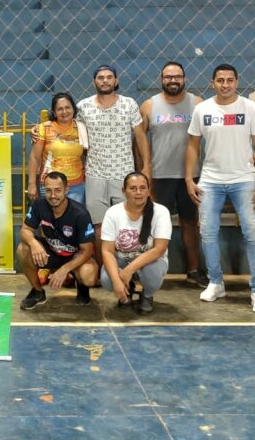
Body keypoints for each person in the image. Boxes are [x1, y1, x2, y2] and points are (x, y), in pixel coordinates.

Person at [186, 63, 255, 314]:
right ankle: (215, 282)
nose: (225, 84)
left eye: (230, 80)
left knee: (253, 233)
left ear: (237, 82)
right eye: (220, 80)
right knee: (208, 233)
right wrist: (189, 179)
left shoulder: (251, 108)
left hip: (244, 179)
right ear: (212, 83)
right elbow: (192, 145)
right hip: (210, 180)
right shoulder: (202, 109)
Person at [139, 60, 205, 286]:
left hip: (191, 176)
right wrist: (144, 169)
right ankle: (150, 268)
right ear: (161, 80)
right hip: (160, 176)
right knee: (155, 223)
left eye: (177, 76)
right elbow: (139, 141)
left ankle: (194, 269)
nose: (173, 80)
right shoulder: (149, 105)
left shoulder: (197, 103)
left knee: (190, 222)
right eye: (168, 77)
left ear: (184, 78)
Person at [77, 64, 151, 264]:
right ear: (94, 82)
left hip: (123, 174)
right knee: (99, 226)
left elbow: (141, 137)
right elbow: (72, 131)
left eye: (109, 77)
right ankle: (104, 270)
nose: (105, 80)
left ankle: (127, 269)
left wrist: (146, 168)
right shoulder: (83, 106)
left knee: (125, 224)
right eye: (100, 77)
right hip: (95, 174)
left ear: (116, 81)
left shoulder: (129, 104)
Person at [17, 172, 97, 311]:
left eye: (58, 190)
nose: (53, 196)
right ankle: (37, 292)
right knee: (22, 249)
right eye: (48, 190)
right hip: (51, 253)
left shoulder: (80, 214)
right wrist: (34, 243)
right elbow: (25, 230)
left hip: (74, 256)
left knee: (88, 275)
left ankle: (82, 287)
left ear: (66, 190)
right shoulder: (39, 205)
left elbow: (87, 250)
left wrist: (64, 270)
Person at [100, 172, 171, 314]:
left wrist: (128, 270)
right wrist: (116, 281)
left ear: (149, 190)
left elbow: (159, 250)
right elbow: (107, 251)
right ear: (123, 191)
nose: (138, 192)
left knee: (152, 274)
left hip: (151, 261)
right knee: (106, 279)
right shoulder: (112, 212)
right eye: (133, 188)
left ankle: (148, 295)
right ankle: (126, 290)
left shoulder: (161, 212)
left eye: (143, 188)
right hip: (121, 259)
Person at [27, 91, 85, 205]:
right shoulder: (44, 128)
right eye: (60, 109)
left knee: (73, 221)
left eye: (67, 107)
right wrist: (31, 184)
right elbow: (34, 158)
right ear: (54, 112)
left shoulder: (82, 128)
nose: (64, 112)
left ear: (73, 109)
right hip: (50, 186)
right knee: (50, 221)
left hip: (76, 186)